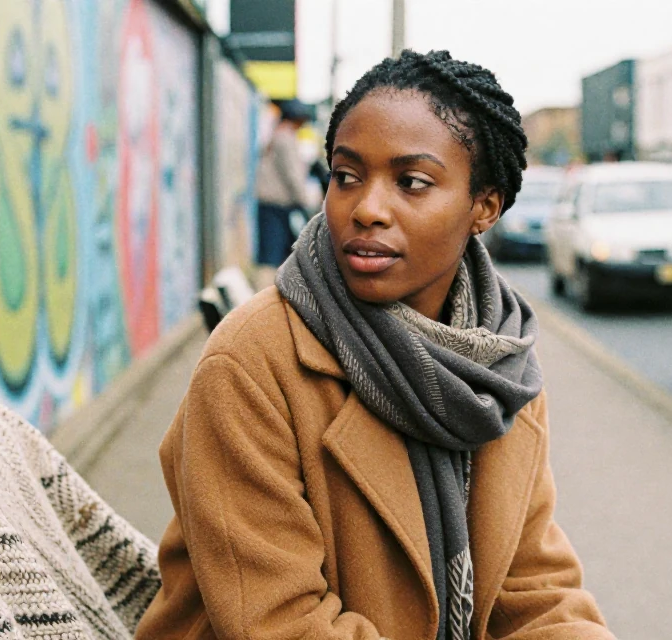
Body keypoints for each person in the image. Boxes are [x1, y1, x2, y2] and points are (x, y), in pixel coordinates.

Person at [135, 50, 614, 640]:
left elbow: (536, 589)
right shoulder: (251, 364)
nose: (366, 209)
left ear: (483, 207)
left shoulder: (500, 368)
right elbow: (281, 622)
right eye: (346, 176)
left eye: (412, 182)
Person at [257, 99, 316, 266]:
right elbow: (292, 174)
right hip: (275, 205)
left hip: (272, 204)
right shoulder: (285, 137)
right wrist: (304, 201)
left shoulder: (278, 134)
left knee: (276, 251)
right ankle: (269, 289)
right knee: (273, 253)